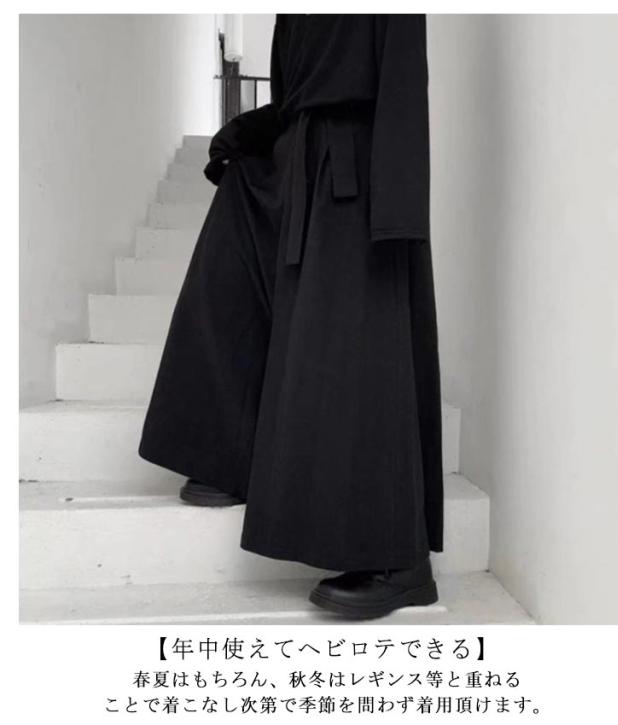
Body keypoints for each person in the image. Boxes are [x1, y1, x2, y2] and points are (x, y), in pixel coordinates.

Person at [138, 13, 443, 619]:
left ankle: (401, 562)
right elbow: (294, 97)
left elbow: (404, 76)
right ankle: (235, 455)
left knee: (353, 354)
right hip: (299, 156)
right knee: (234, 258)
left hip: (355, 173)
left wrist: (399, 208)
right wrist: (249, 135)